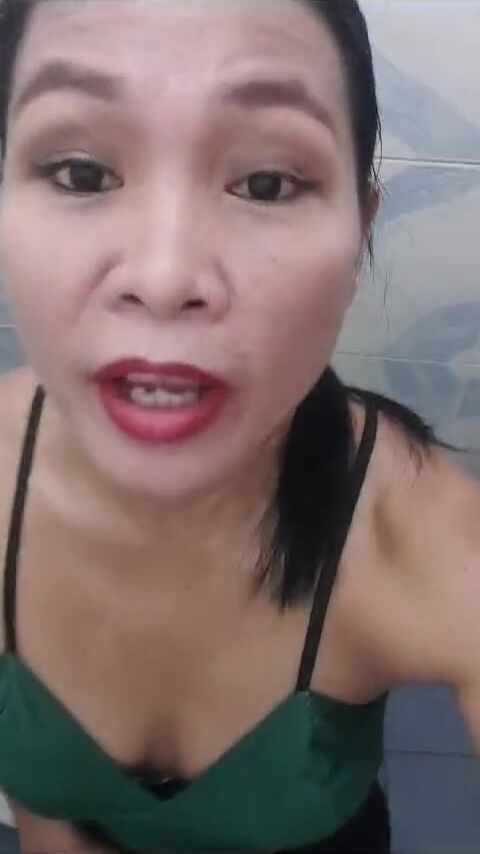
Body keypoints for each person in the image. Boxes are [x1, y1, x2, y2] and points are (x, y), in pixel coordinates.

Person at [0, 1, 478, 852]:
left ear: (360, 233)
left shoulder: (427, 540)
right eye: (81, 173)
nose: (163, 276)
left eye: (266, 184)